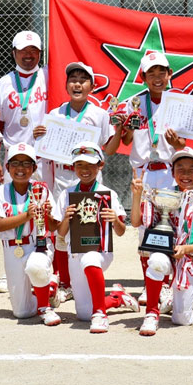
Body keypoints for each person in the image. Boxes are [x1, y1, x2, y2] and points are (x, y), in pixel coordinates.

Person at [36, 62, 123, 304]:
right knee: (62, 232)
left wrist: (120, 131)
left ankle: (89, 278)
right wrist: (39, 137)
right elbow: (44, 151)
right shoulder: (55, 115)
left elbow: (109, 149)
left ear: (92, 86)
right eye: (72, 79)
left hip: (90, 178)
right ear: (65, 85)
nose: (77, 84)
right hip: (63, 176)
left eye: (83, 80)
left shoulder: (100, 114)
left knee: (89, 230)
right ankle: (65, 282)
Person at [130, 147, 193, 336]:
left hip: (187, 259)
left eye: (191, 169)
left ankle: (172, 301)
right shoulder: (161, 195)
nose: (185, 174)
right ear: (172, 172)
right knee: (156, 261)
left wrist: (186, 248)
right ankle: (152, 313)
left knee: (182, 320)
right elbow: (137, 222)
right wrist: (137, 195)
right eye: (180, 168)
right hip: (164, 253)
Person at [121, 51, 186, 307]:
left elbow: (184, 143)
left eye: (162, 72)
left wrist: (176, 142)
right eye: (151, 73)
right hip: (144, 171)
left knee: (170, 228)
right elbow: (126, 141)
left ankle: (168, 287)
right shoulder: (133, 103)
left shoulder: (177, 103)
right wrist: (128, 127)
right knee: (143, 230)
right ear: (144, 77)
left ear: (170, 75)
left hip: (169, 172)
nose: (157, 77)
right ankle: (150, 284)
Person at [53, 141, 139, 333]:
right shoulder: (66, 194)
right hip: (74, 252)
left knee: (91, 257)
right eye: (80, 165)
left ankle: (100, 314)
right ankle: (117, 298)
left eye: (91, 165)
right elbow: (60, 233)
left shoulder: (108, 193)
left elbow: (121, 231)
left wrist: (115, 219)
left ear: (100, 165)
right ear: (73, 167)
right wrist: (66, 218)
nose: (85, 170)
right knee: (83, 314)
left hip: (100, 251)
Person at [0, 31, 48, 294]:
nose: (28, 55)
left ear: (40, 53)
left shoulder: (49, 77)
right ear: (13, 52)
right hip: (15, 157)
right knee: (15, 210)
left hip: (44, 155)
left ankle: (46, 265)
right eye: (23, 50)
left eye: (34, 50)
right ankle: (12, 265)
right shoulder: (3, 83)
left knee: (45, 211)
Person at [0, 143, 61, 326]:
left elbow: (54, 227)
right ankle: (48, 291)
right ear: (8, 167)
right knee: (22, 312)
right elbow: (0, 225)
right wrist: (27, 215)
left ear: (34, 168)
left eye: (27, 164)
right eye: (15, 163)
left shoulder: (41, 189)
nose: (21, 168)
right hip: (13, 247)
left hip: (38, 244)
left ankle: (44, 307)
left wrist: (48, 214)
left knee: (37, 266)